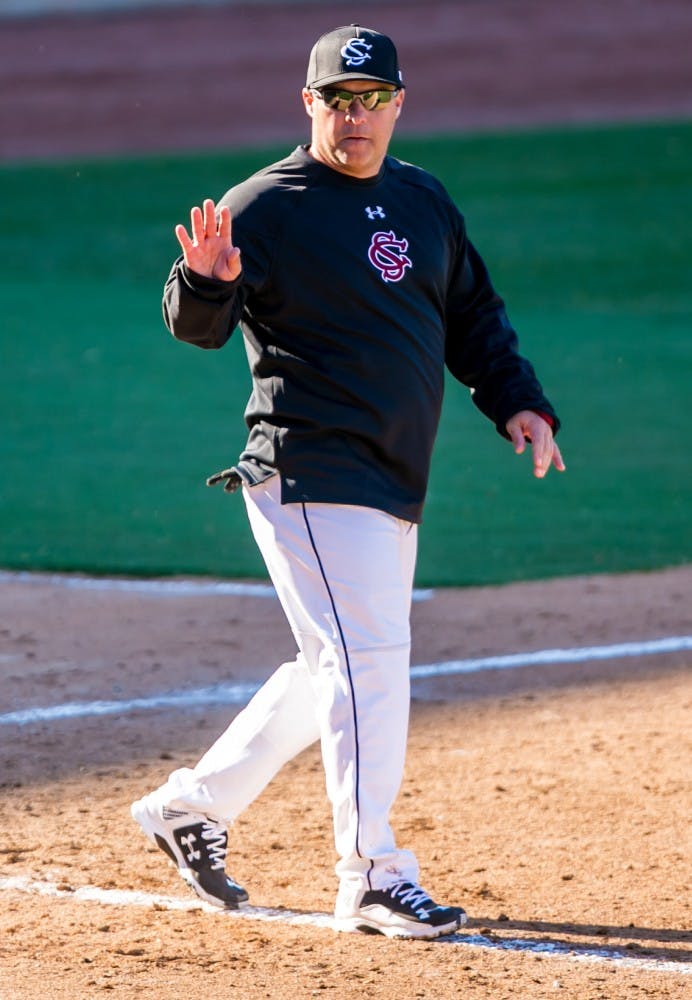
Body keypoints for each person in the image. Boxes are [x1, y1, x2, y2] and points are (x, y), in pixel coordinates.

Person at [131, 24, 565, 940]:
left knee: (336, 664)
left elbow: (473, 316)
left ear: (399, 103)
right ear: (309, 104)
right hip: (308, 467)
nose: (356, 117)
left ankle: (188, 807)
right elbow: (196, 325)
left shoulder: (422, 200)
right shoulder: (270, 205)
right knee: (371, 666)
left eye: (372, 100)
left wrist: (518, 401)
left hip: (392, 474)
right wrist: (201, 282)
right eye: (338, 100)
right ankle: (370, 873)